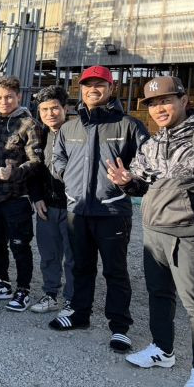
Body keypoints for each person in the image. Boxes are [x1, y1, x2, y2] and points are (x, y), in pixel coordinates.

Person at [107, 76, 194, 387]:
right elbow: (141, 182)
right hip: (154, 232)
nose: (159, 109)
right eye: (153, 104)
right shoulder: (154, 141)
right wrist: (126, 181)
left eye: (166, 101)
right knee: (158, 293)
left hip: (191, 234)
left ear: (183, 100)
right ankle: (162, 349)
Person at [49, 65, 149, 353]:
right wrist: (67, 176)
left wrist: (130, 180)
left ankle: (119, 327)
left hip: (112, 211)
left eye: (100, 84)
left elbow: (147, 165)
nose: (93, 89)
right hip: (78, 209)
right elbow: (57, 158)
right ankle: (80, 314)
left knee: (115, 271)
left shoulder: (128, 126)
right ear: (80, 88)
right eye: (88, 84)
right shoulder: (70, 127)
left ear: (111, 88)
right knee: (81, 266)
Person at [0, 76, 43, 311]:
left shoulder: (28, 124)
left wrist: (14, 172)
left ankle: (23, 290)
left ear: (19, 96)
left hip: (15, 197)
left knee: (19, 244)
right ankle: (2, 283)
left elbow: (36, 161)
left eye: (9, 97)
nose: (4, 102)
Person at [28, 86, 75, 315]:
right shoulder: (40, 135)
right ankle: (50, 294)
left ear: (65, 108)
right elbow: (34, 169)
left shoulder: (78, 135)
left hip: (73, 207)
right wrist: (36, 197)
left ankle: (72, 300)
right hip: (47, 206)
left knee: (73, 257)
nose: (50, 114)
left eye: (54, 108)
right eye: (44, 109)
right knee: (48, 255)